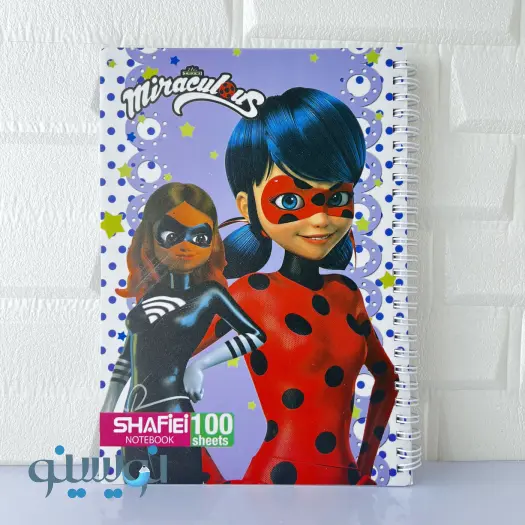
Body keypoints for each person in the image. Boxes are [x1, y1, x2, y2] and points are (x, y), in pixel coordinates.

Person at [185, 88, 398, 485]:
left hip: (348, 486)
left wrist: (366, 469)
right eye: (290, 200)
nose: (321, 219)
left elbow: (387, 379)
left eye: (337, 197)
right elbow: (158, 368)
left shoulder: (347, 294)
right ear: (247, 206)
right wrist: (210, 479)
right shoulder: (251, 294)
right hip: (272, 486)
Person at [101, 182, 265, 484]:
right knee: (135, 500)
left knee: (181, 499)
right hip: (133, 419)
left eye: (200, 237)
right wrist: (108, 408)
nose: (186, 246)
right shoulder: (150, 295)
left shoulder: (210, 294)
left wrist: (199, 365)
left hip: (173, 413)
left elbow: (255, 334)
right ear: (151, 237)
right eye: (171, 236)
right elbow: (128, 358)